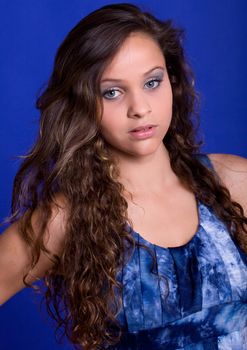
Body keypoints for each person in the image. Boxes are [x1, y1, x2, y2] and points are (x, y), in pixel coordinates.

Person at [0, 2, 247, 349]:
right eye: (112, 92)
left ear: (172, 81)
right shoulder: (68, 218)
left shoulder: (233, 182)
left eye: (152, 82)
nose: (140, 108)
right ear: (82, 102)